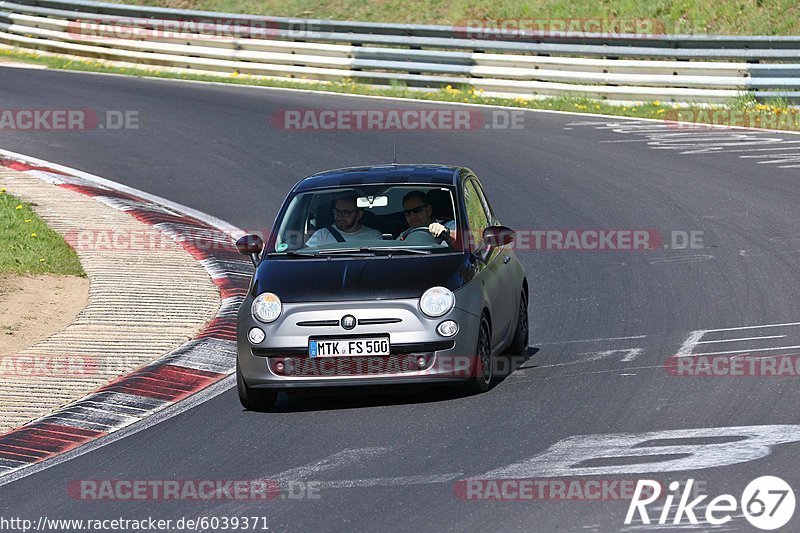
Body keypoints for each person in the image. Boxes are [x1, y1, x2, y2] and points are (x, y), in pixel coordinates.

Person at [305, 193, 382, 247]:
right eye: (337, 212)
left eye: (346, 213)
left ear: (358, 215)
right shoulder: (321, 235)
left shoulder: (374, 236)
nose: (339, 217)